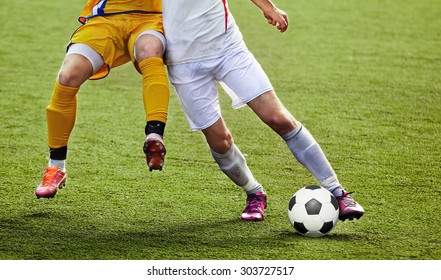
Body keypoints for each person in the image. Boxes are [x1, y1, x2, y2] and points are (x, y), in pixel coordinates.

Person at [161, 0, 364, 221]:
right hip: (182, 62)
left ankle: (338, 193)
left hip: (227, 50)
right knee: (220, 142)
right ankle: (254, 192)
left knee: (279, 118)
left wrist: (268, 7)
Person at [35, 0, 169, 199]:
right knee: (68, 75)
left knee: (149, 51)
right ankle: (55, 167)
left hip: (152, 17)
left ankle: (155, 136)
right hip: (106, 17)